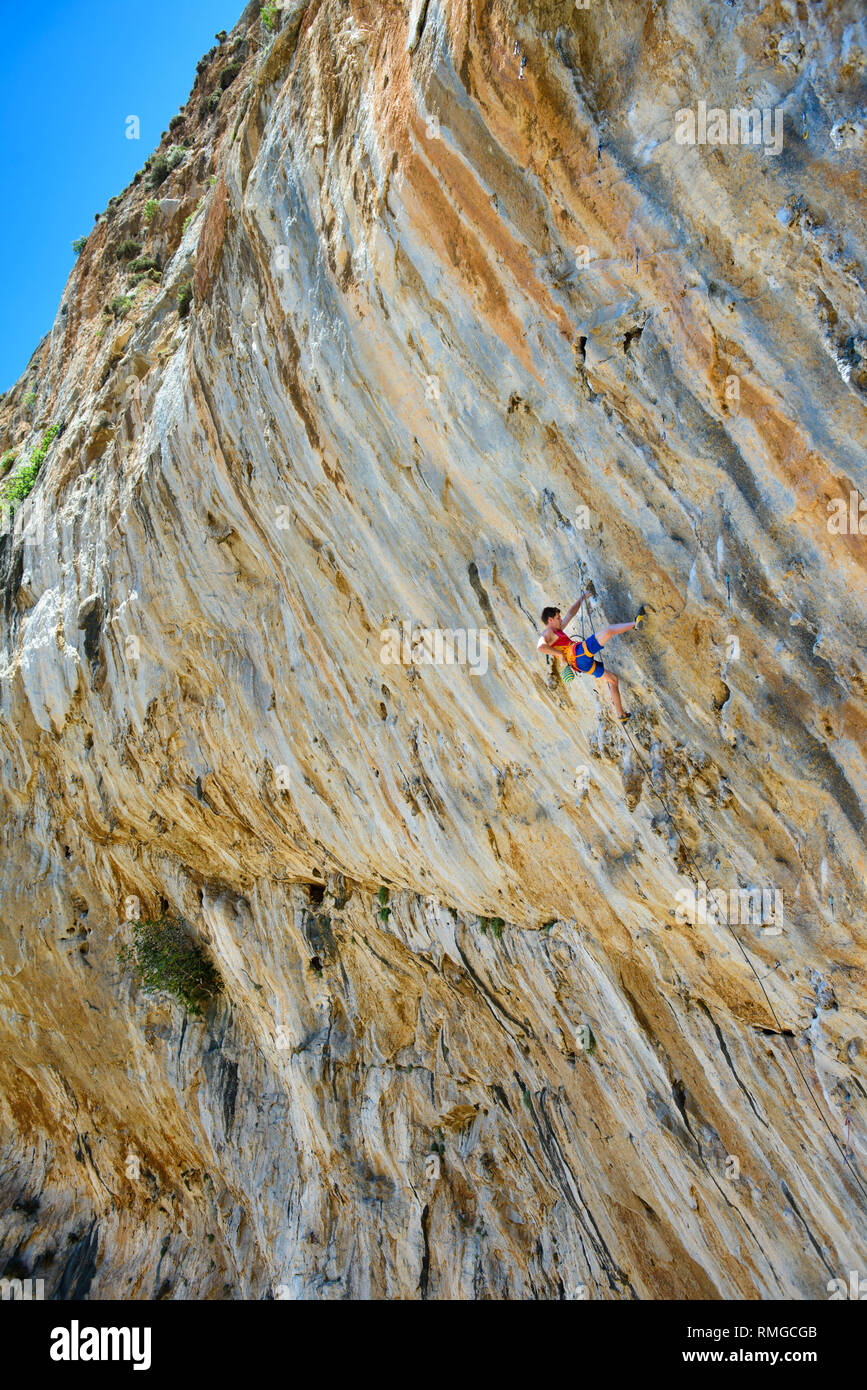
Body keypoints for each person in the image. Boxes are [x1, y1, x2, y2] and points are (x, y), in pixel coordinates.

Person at [537, 591, 645, 722]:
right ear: (550, 620)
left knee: (613, 679)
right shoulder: (548, 632)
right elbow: (541, 647)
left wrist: (582, 597)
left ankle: (621, 715)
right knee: (609, 630)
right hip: (578, 654)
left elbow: (571, 613)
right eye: (558, 617)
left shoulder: (557, 630)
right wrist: (559, 654)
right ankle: (635, 624)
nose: (561, 619)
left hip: (580, 664)